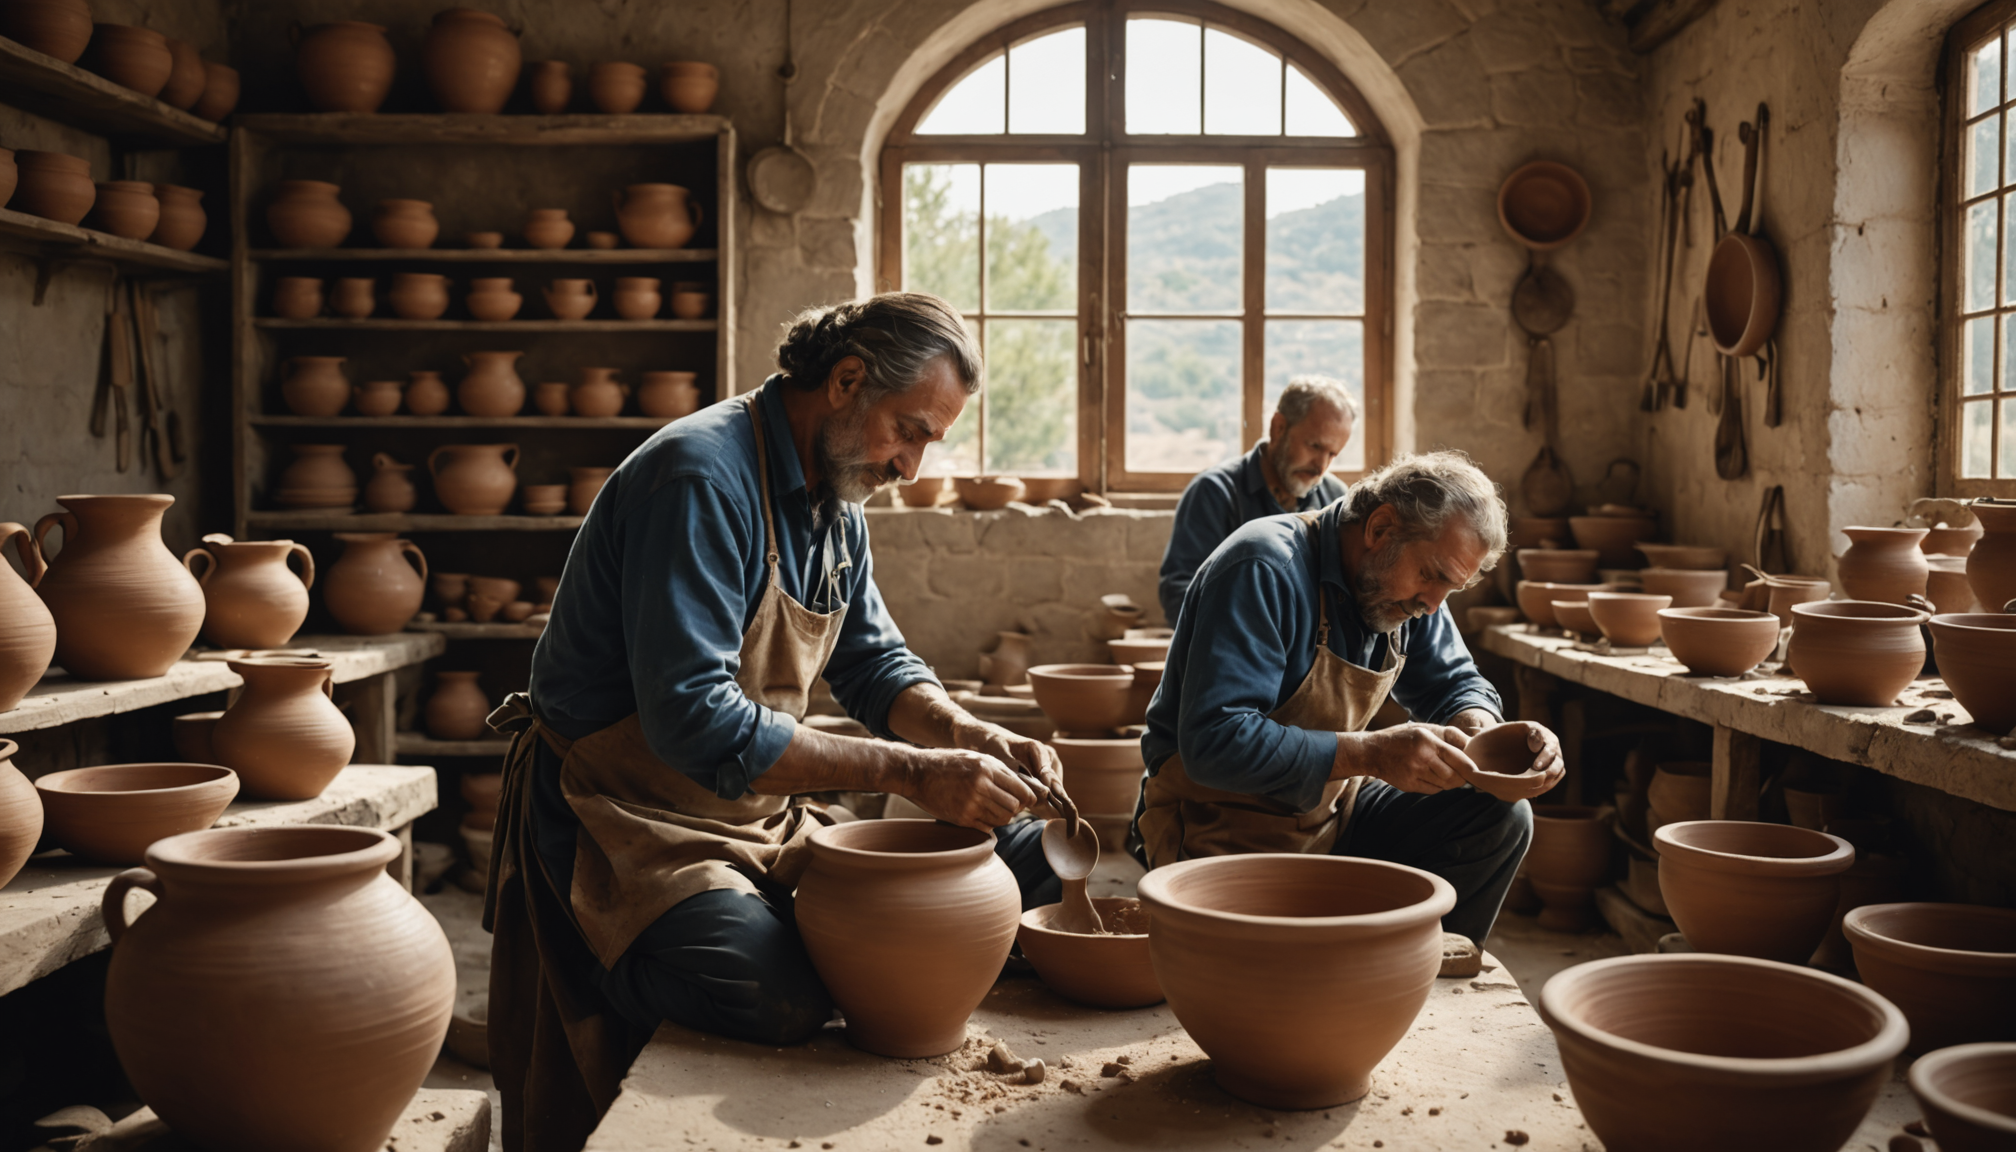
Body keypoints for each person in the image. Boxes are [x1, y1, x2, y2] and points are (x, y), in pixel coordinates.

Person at [485, 293, 1074, 1152]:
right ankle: (589, 963)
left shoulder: (839, 495)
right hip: (627, 816)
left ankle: (808, 934)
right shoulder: (700, 478)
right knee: (782, 996)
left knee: (1029, 861)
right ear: (844, 381)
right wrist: (907, 773)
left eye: (928, 443)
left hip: (752, 807)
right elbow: (693, 721)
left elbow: (874, 664)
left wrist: (968, 731)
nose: (910, 464)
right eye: (907, 431)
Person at [1133, 451, 1561, 950]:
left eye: (1452, 588)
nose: (1433, 605)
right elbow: (1214, 743)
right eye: (1432, 575)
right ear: (1380, 528)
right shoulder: (1264, 566)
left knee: (1498, 816)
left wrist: (1482, 728)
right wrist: (1373, 753)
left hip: (1330, 811)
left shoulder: (1413, 595)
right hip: (1217, 823)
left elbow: (1454, 680)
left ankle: (1421, 979)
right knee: (1274, 973)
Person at [1158, 376, 1357, 624]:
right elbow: (1179, 593)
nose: (1321, 466)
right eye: (1314, 446)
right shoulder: (1215, 493)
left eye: (1332, 454)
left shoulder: (1335, 499)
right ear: (1278, 427)